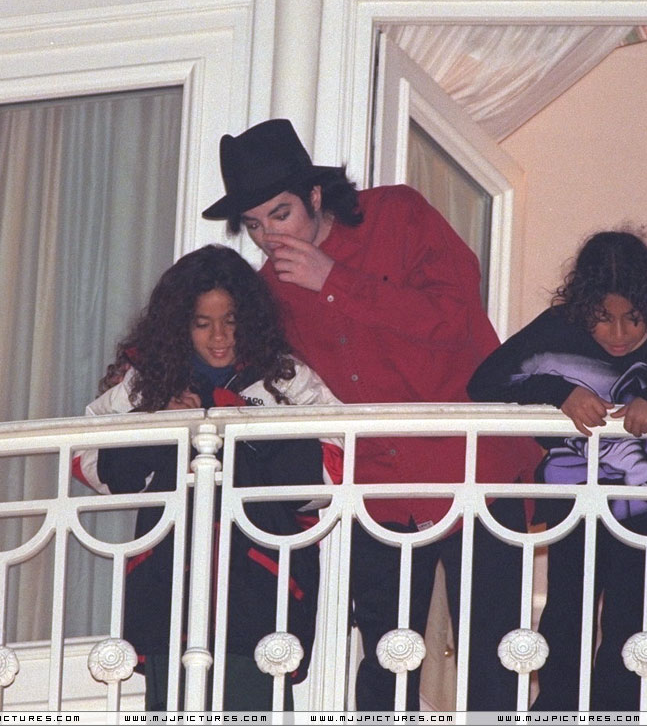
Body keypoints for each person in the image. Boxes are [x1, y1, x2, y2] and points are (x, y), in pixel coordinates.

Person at [202, 118, 538, 711]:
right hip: (378, 486)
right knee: (386, 664)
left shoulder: (398, 215)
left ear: (314, 195)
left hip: (475, 467)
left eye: (280, 214)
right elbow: (245, 366)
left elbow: (455, 316)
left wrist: (333, 280)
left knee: (494, 659)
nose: (268, 236)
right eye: (253, 225)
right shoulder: (266, 288)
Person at [467, 230, 647, 711]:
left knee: (638, 633)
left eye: (633, 318)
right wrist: (556, 392)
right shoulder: (557, 328)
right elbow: (484, 383)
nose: (619, 334)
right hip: (577, 506)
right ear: (581, 308)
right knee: (565, 619)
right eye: (603, 319)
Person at [72, 244, 342, 711]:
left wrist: (242, 424)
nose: (219, 336)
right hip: (168, 590)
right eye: (202, 323)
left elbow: (334, 470)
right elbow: (84, 454)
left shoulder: (286, 377)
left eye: (231, 321)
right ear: (180, 325)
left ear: (249, 319)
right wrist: (160, 427)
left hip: (262, 592)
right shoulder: (147, 379)